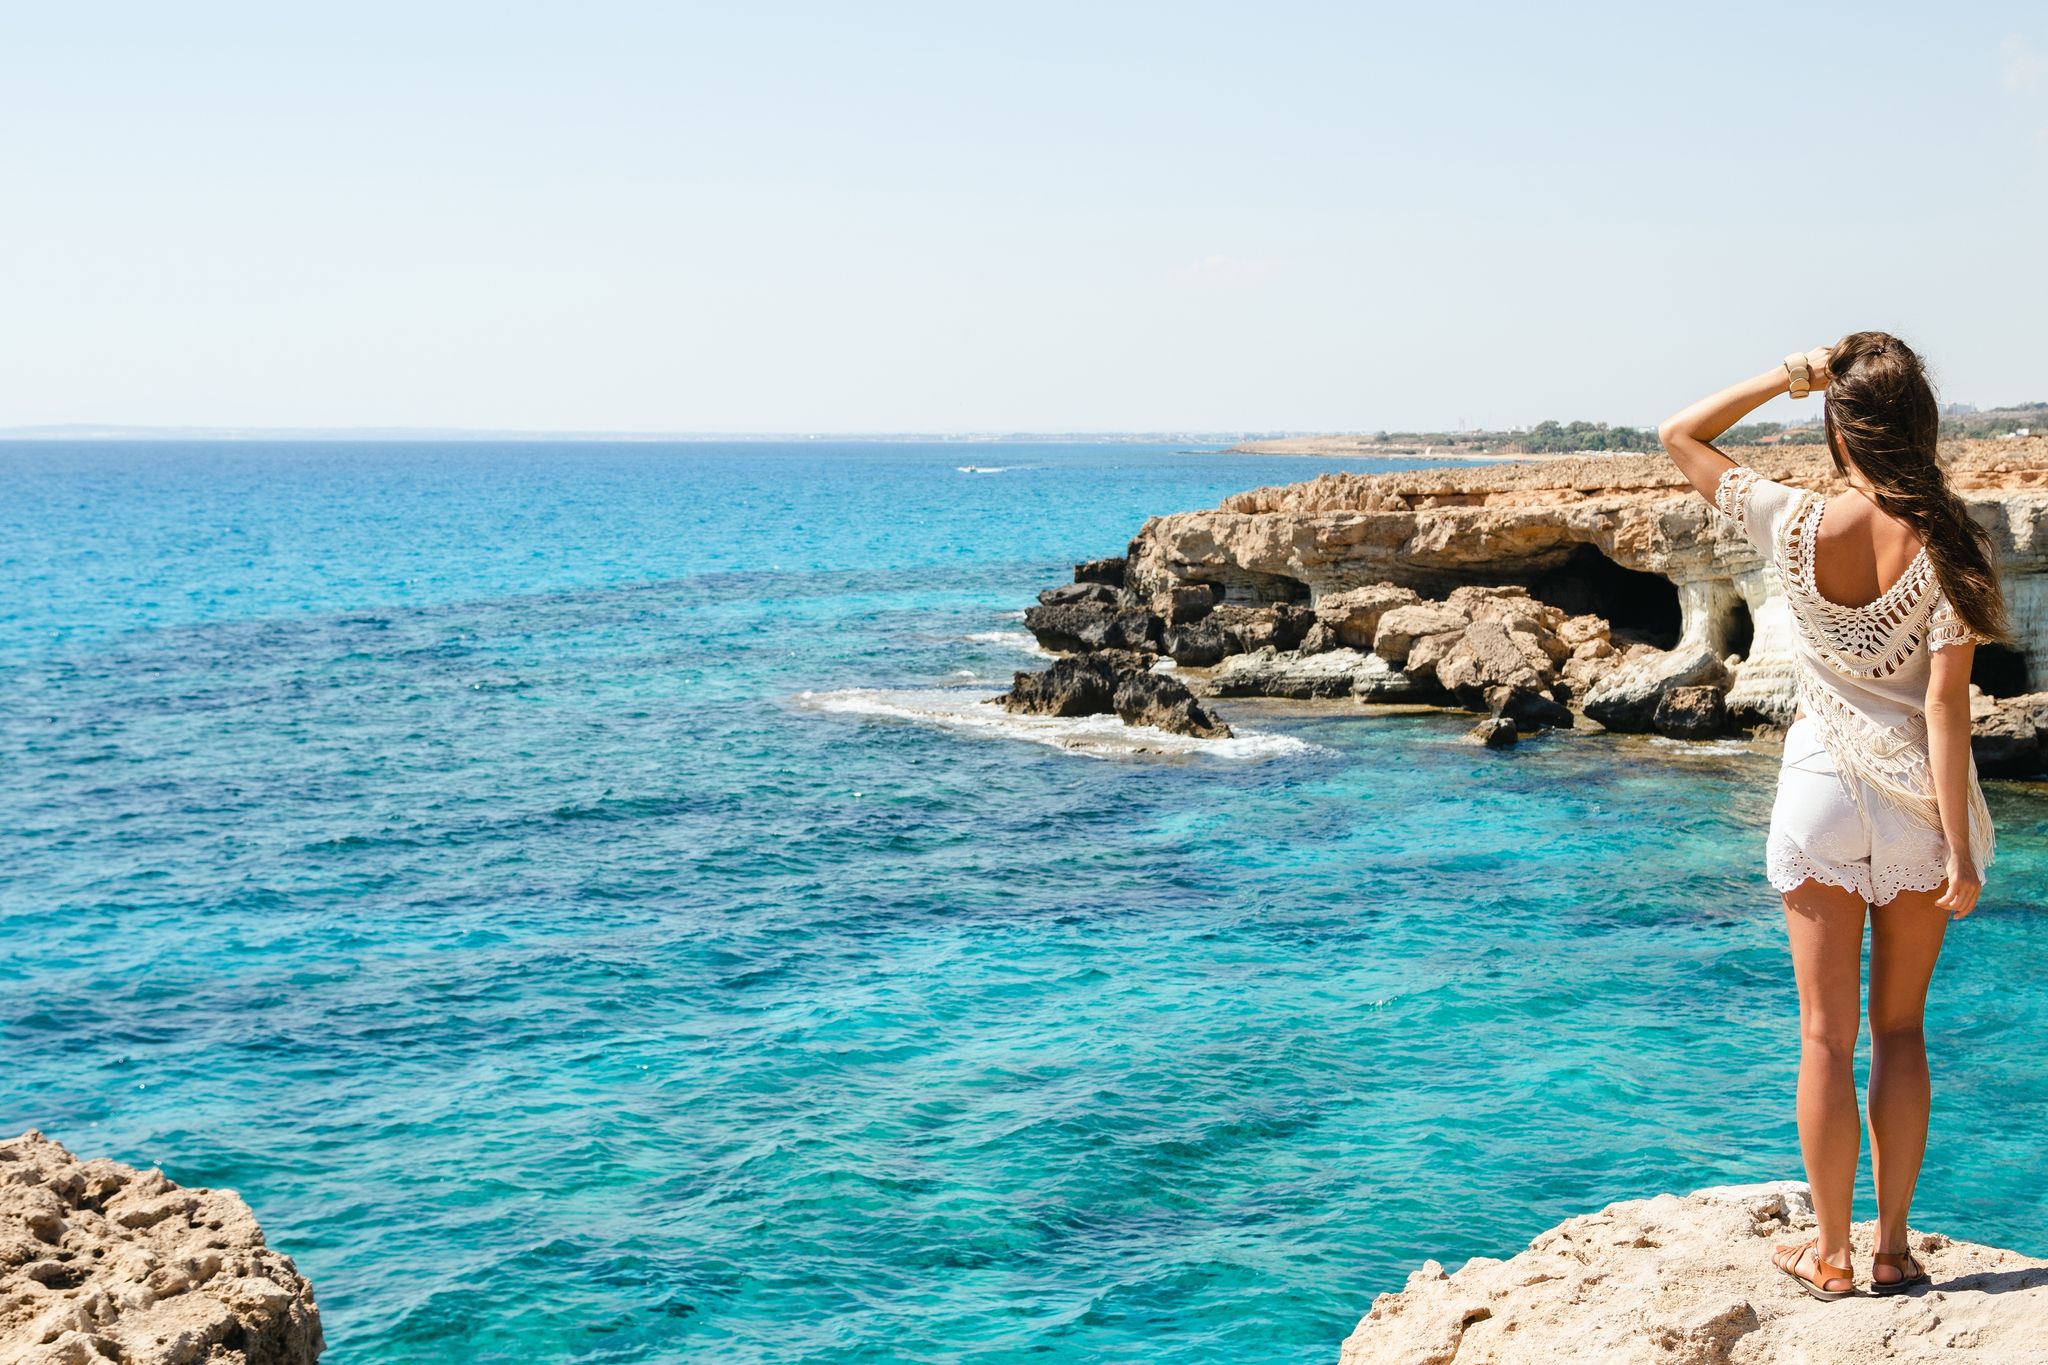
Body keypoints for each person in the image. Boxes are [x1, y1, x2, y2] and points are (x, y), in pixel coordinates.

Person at [1656, 333, 2009, 1300]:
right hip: (1912, 807)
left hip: (1817, 788)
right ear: (1920, 425)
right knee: (1900, 1030)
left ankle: (1833, 1254)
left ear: (1840, 425)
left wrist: (1793, 373)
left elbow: (1680, 433)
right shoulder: (1949, 539)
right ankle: (1893, 1248)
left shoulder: (1792, 518)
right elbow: (1945, 710)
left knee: (1824, 1034)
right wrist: (1960, 848)